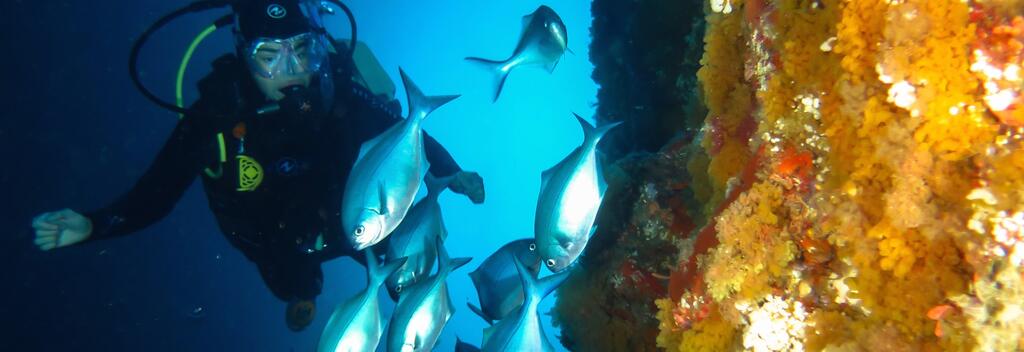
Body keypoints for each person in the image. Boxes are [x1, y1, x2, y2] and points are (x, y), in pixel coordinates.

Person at [29, 0, 484, 331]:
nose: (291, 69)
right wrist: (95, 225)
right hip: (275, 237)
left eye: (302, 51)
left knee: (398, 268)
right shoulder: (218, 114)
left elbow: (405, 134)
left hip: (359, 215)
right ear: (245, 56)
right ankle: (304, 293)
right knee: (292, 282)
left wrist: (451, 170)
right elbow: (158, 192)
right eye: (269, 55)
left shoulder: (339, 92)